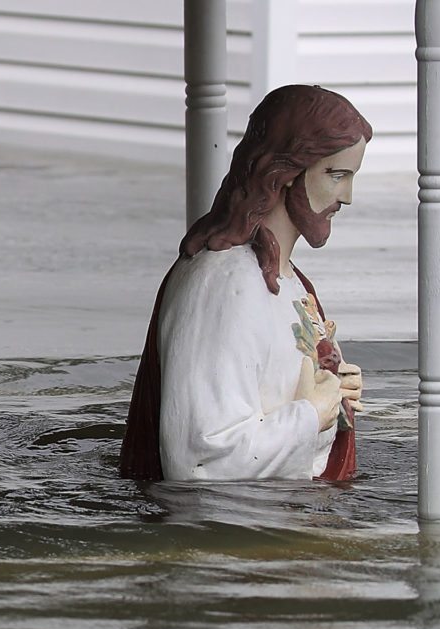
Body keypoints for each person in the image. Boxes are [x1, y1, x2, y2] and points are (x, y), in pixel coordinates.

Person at [120, 84, 369, 482]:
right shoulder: (225, 282)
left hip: (288, 518)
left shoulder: (290, 281)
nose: (348, 196)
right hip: (237, 530)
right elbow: (200, 461)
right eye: (336, 175)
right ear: (285, 171)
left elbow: (279, 393)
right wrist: (311, 415)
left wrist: (335, 391)